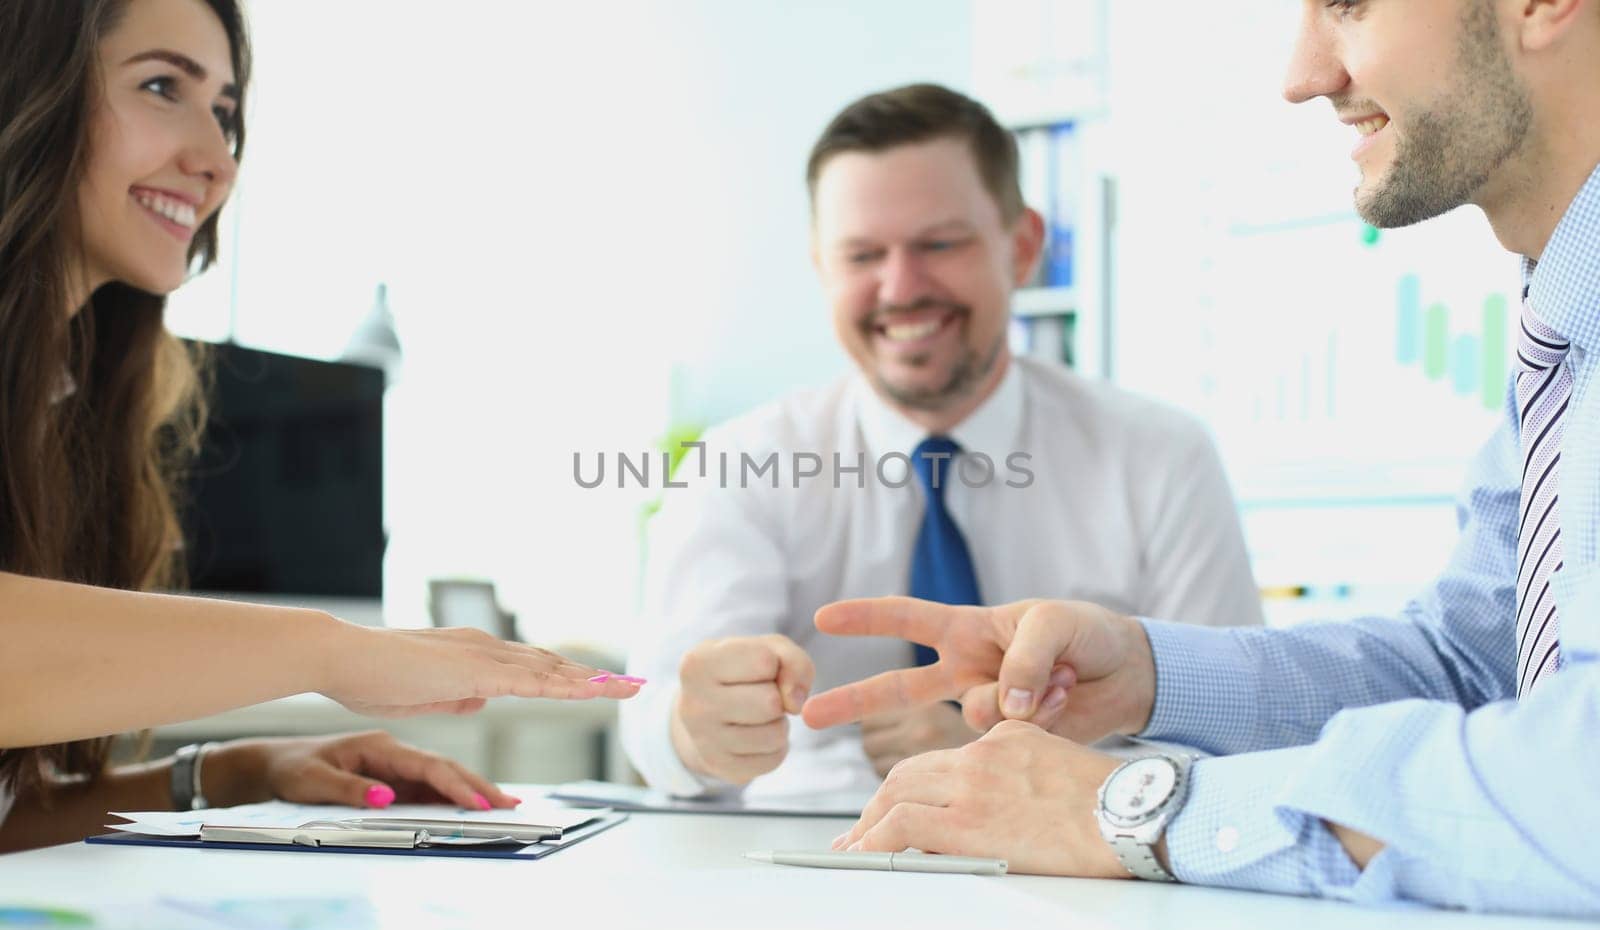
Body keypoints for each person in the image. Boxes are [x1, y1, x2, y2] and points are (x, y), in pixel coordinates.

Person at [800, 0, 1600, 917]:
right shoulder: (1567, 328)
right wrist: (1149, 675)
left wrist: (1134, 811)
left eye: (1346, 5)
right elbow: (1473, 664)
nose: (1302, 74)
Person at [0, 0, 641, 853]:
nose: (217, 162)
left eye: (225, 115)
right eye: (162, 86)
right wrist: (330, 652)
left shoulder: (65, 411)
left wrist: (239, 771)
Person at [620, 83, 1262, 800]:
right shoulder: (740, 462)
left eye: (939, 244)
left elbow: (1236, 734)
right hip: (809, 859)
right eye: (862, 255)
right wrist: (695, 730)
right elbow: (654, 723)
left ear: (1021, 249)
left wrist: (1029, 767)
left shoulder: (1160, 458)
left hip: (1083, 869)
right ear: (822, 269)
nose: (901, 287)